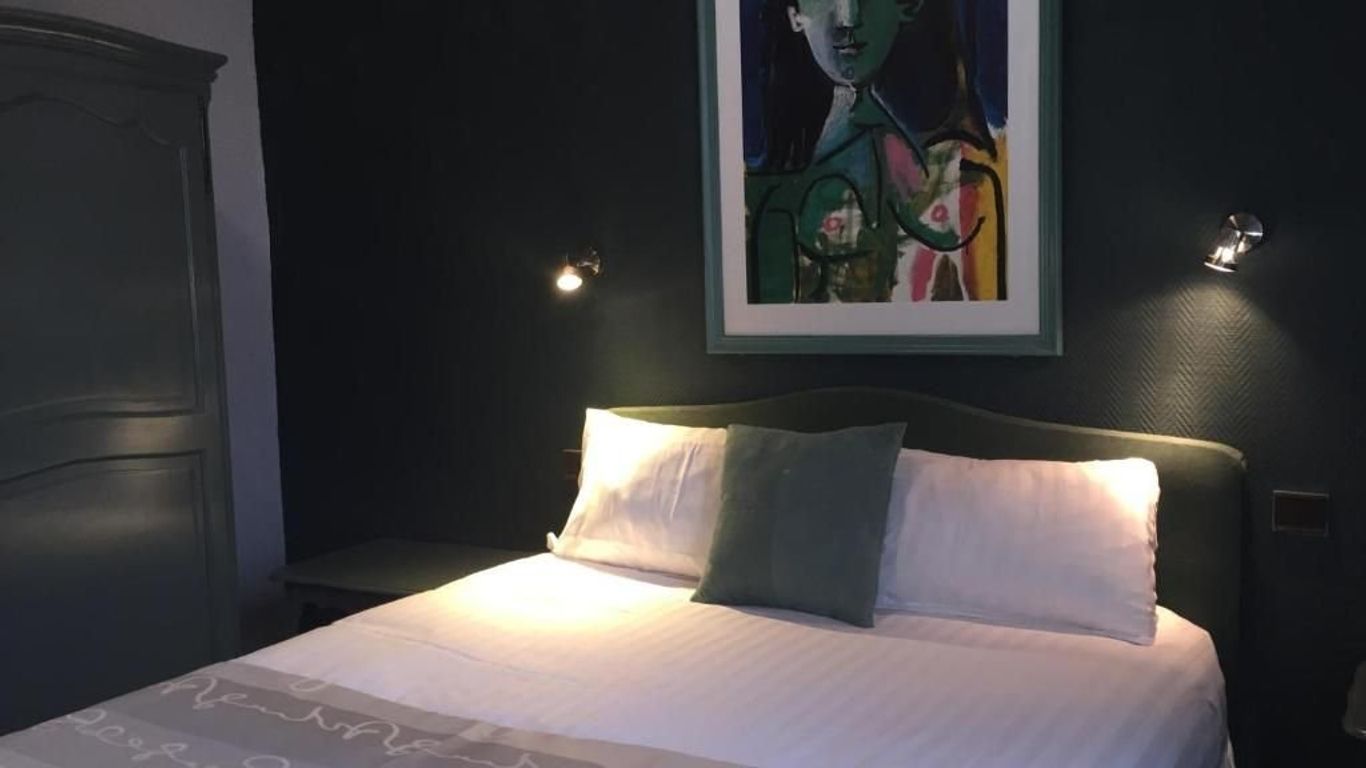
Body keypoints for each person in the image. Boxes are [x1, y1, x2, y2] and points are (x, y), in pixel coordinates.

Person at [744, 0, 1006, 304]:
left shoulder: (966, 186)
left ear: (909, 5)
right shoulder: (775, 210)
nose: (848, 18)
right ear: (794, 15)